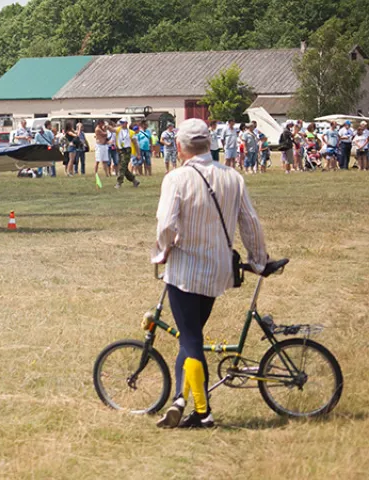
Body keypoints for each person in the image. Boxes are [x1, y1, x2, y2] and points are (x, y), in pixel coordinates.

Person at [153, 118, 268, 429]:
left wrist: (162, 250)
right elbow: (250, 222)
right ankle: (179, 398)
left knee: (190, 339)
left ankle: (204, 414)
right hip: (217, 270)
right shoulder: (233, 177)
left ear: (179, 147)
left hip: (187, 269)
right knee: (191, 337)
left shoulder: (176, 178)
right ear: (210, 144)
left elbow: (165, 224)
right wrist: (259, 260)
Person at [114, 119, 139, 188]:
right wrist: (107, 126)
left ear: (126, 123)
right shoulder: (118, 130)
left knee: (122, 167)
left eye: (123, 123)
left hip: (127, 151)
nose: (122, 124)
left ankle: (119, 182)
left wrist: (138, 153)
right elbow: (112, 130)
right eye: (121, 123)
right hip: (120, 150)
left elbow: (135, 143)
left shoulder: (131, 132)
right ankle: (134, 180)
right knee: (124, 168)